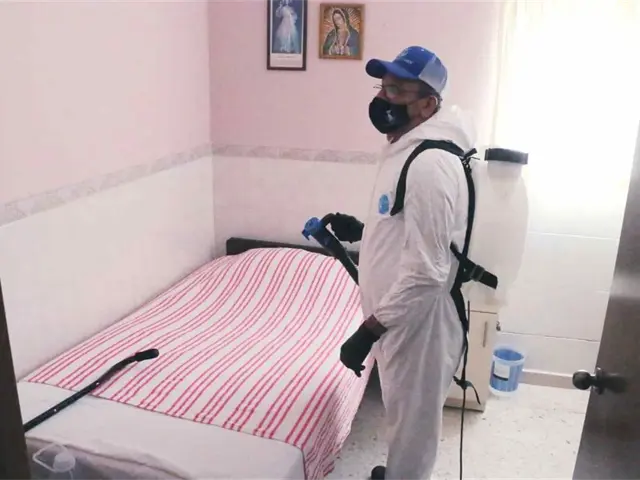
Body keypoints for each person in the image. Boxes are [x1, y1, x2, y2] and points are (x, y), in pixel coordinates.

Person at [328, 46, 477, 480]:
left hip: (420, 324)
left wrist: (368, 330)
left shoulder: (430, 163)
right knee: (403, 417)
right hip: (404, 320)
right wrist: (369, 230)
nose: (383, 99)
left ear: (427, 105)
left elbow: (428, 273)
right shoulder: (407, 150)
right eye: (382, 87)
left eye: (397, 91)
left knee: (414, 428)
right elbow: (414, 229)